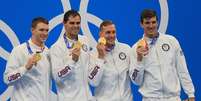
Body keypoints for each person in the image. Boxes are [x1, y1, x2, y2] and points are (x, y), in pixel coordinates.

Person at [129, 9, 195, 101]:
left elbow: (182, 69)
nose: (151, 26)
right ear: (141, 24)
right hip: (151, 98)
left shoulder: (171, 41)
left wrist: (190, 94)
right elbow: (136, 81)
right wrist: (139, 59)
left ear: (158, 22)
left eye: (153, 22)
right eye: (147, 23)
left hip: (173, 98)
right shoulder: (135, 48)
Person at [49, 9, 94, 101]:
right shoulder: (56, 48)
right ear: (64, 23)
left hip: (87, 98)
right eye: (72, 23)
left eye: (78, 23)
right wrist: (72, 61)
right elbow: (57, 77)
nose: (76, 26)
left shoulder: (85, 40)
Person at [4, 17, 51, 101]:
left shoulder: (48, 52)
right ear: (32, 30)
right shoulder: (19, 50)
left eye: (47, 30)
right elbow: (7, 79)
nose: (45, 33)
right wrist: (25, 68)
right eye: (41, 30)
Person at [88, 20, 133, 101]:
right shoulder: (93, 54)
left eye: (113, 32)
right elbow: (93, 82)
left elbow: (135, 76)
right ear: (100, 34)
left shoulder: (126, 49)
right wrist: (100, 58)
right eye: (108, 32)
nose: (111, 35)